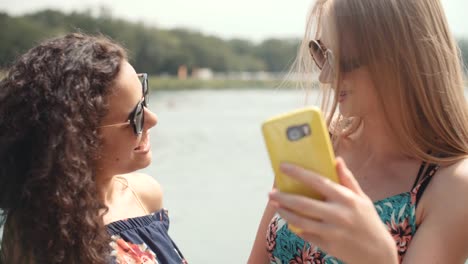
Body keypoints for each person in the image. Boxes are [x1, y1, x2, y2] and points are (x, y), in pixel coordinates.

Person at [249, 0, 468, 263]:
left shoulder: (452, 185)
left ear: (401, 56)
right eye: (321, 53)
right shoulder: (319, 148)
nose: (325, 77)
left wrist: (379, 258)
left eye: (340, 59)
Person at [0, 33, 187, 264]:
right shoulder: (42, 233)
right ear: (80, 138)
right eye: (136, 116)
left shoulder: (146, 194)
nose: (153, 119)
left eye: (144, 98)